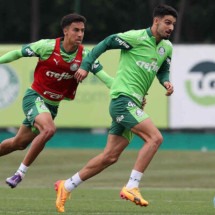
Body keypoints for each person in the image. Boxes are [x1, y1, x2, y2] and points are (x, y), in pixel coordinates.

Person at [54, 4, 178, 213]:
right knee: (155, 138)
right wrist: (85, 65)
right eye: (167, 22)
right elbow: (107, 42)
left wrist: (165, 82)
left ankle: (66, 186)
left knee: (110, 157)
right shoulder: (135, 37)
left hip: (135, 102)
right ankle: (132, 186)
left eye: (173, 24)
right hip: (123, 100)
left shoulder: (167, 47)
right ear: (156, 21)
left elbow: (163, 69)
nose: (171, 28)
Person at [0, 13, 114, 188]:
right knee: (49, 130)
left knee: (19, 143)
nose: (80, 34)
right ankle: (19, 174)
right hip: (34, 98)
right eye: (76, 30)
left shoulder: (86, 55)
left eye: (82, 30)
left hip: (52, 107)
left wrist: (128, 93)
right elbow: (17, 53)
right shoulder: (46, 46)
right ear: (66, 31)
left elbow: (107, 79)